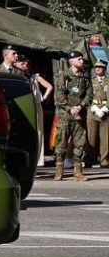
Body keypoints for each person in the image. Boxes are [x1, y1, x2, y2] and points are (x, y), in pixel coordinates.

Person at [54, 50, 92, 181]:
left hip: (80, 115)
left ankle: (78, 172)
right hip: (65, 115)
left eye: (82, 59)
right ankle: (59, 171)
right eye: (79, 59)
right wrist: (70, 109)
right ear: (72, 62)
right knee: (61, 143)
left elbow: (89, 94)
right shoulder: (64, 76)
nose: (82, 61)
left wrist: (80, 106)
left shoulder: (84, 76)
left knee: (80, 143)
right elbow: (59, 96)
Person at [15, 55, 53, 163]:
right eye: (22, 63)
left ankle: (38, 159)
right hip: (23, 105)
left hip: (35, 104)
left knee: (38, 131)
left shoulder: (35, 77)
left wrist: (43, 98)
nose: (25, 66)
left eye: (26, 64)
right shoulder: (17, 76)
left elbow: (49, 86)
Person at [87, 59, 109, 168]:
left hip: (106, 111)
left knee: (105, 138)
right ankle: (90, 159)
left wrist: (106, 108)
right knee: (91, 136)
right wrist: (93, 107)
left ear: (104, 69)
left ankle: (104, 160)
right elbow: (87, 95)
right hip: (93, 110)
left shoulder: (108, 80)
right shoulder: (91, 80)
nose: (97, 69)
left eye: (100, 67)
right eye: (96, 67)